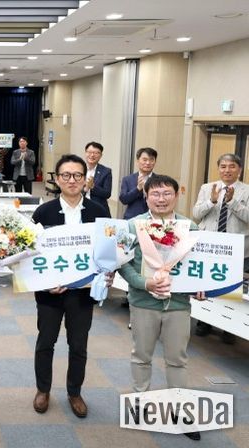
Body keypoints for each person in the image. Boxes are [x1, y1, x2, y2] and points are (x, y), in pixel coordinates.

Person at [118, 174, 204, 441]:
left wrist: (202, 285)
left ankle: (180, 411)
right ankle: (140, 404)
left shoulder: (190, 227)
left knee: (177, 360)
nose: (161, 199)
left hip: (178, 304)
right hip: (143, 302)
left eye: (167, 193)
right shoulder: (133, 226)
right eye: (155, 193)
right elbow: (123, 263)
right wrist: (144, 283)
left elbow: (201, 264)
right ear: (146, 197)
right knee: (141, 356)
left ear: (177, 196)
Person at [30, 154, 111, 418]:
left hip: (83, 294)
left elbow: (108, 251)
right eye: (66, 175)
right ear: (57, 179)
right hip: (50, 293)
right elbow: (30, 254)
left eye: (77, 175)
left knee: (78, 345)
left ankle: (74, 392)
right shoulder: (43, 212)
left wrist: (109, 272)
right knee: (46, 342)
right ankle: (43, 390)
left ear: (85, 179)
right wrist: (45, 283)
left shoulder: (99, 212)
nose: (72, 180)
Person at [192, 153, 249, 344]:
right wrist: (212, 201)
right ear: (218, 168)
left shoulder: (247, 191)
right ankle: (204, 321)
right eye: (223, 166)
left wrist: (232, 203)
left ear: (239, 169)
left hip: (235, 249)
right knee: (206, 283)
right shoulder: (207, 188)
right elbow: (196, 214)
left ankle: (229, 327)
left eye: (232, 166)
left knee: (231, 287)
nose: (227, 170)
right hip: (209, 247)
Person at [119, 147, 157, 219]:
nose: (148, 163)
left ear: (155, 162)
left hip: (153, 218)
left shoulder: (159, 180)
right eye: (144, 160)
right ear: (138, 161)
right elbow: (124, 200)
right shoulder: (127, 179)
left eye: (151, 160)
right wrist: (138, 188)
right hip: (132, 218)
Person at [83, 142, 112, 216]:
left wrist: (93, 186)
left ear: (101, 155)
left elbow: (107, 193)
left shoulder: (106, 171)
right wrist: (85, 189)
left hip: (99, 209)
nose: (92, 155)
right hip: (80, 207)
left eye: (96, 153)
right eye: (90, 152)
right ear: (85, 153)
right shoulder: (78, 170)